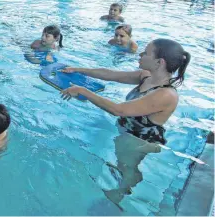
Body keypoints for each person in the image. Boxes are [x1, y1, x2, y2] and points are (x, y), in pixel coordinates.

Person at [60, 39, 190, 207]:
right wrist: (78, 69)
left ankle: (121, 195)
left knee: (128, 169)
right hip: (127, 132)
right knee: (121, 164)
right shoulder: (146, 77)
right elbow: (111, 74)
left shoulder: (166, 95)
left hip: (139, 142)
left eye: (146, 53)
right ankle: (124, 181)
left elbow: (119, 110)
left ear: (159, 62)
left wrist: (83, 91)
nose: (141, 55)